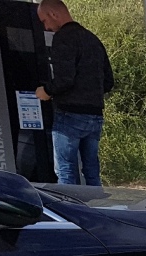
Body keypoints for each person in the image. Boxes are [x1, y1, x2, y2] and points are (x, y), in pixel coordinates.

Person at [35, 0, 114, 186]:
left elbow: (64, 79)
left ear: (54, 14)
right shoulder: (93, 39)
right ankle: (96, 210)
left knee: (65, 170)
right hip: (94, 116)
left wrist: (46, 91)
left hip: (69, 115)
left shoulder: (63, 37)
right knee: (92, 171)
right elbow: (109, 82)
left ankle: (70, 213)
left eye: (44, 20)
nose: (46, 27)